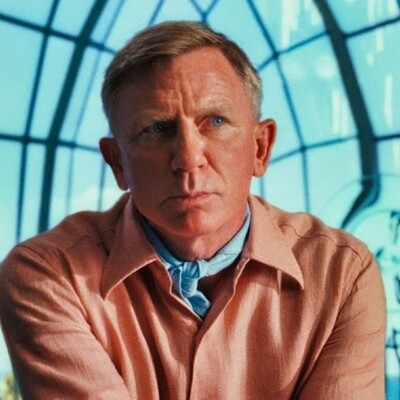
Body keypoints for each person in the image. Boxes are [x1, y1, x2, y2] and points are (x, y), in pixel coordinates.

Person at [0, 21, 386, 399]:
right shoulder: (48, 274)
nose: (187, 158)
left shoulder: (341, 275)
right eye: (156, 129)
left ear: (260, 148)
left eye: (215, 121)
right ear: (117, 162)